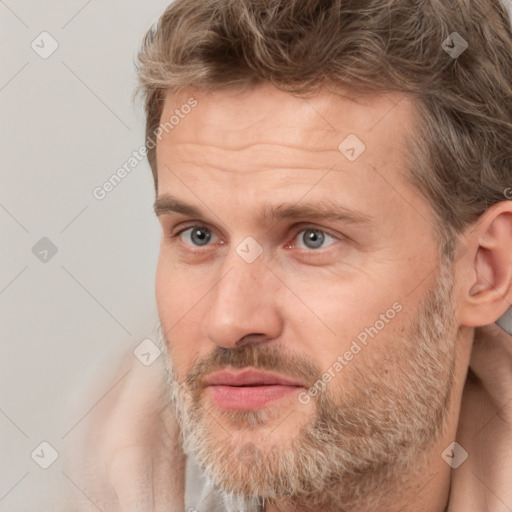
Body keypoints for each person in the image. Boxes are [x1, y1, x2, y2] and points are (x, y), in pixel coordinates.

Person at [63, 0, 512, 510]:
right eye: (198, 235)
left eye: (312, 238)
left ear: (485, 270)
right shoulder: (94, 477)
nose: (229, 321)